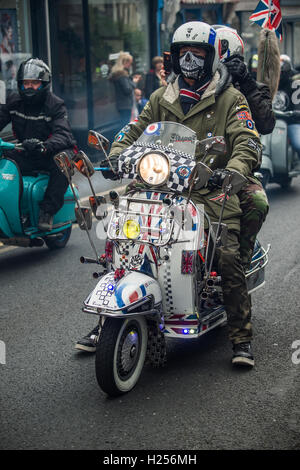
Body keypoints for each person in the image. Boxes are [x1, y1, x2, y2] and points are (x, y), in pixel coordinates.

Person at [76, 21, 263, 368]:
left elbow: (248, 141)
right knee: (121, 237)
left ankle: (241, 338)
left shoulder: (231, 99)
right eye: (183, 53)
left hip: (208, 189)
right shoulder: (162, 97)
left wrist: (233, 171)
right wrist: (117, 155)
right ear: (175, 57)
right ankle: (108, 320)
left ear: (211, 57)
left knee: (226, 253)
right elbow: (134, 130)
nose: (190, 59)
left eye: (198, 53)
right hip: (158, 186)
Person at [215, 27, 273, 270]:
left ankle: (240, 263)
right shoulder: (195, 89)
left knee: (257, 202)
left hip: (237, 168)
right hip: (194, 166)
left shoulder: (252, 88)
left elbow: (266, 123)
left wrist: (246, 83)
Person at [0, 58, 77, 230]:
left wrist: (44, 145)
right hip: (26, 150)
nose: (29, 87)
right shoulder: (13, 102)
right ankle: (14, 210)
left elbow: (63, 134)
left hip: (50, 151)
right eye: (26, 83)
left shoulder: (55, 105)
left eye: (34, 83)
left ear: (44, 83)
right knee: (3, 160)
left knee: (61, 162)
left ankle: (47, 212)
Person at [273, 54, 300, 170]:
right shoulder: (270, 81)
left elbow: (297, 101)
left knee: (298, 144)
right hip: (273, 120)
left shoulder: (295, 83)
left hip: (291, 120)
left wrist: (296, 112)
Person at [109, 52, 141, 129]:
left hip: (122, 104)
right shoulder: (122, 75)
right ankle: (122, 140)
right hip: (125, 104)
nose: (130, 65)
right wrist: (134, 82)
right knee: (124, 124)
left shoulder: (118, 74)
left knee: (124, 123)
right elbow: (127, 89)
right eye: (129, 63)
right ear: (125, 62)